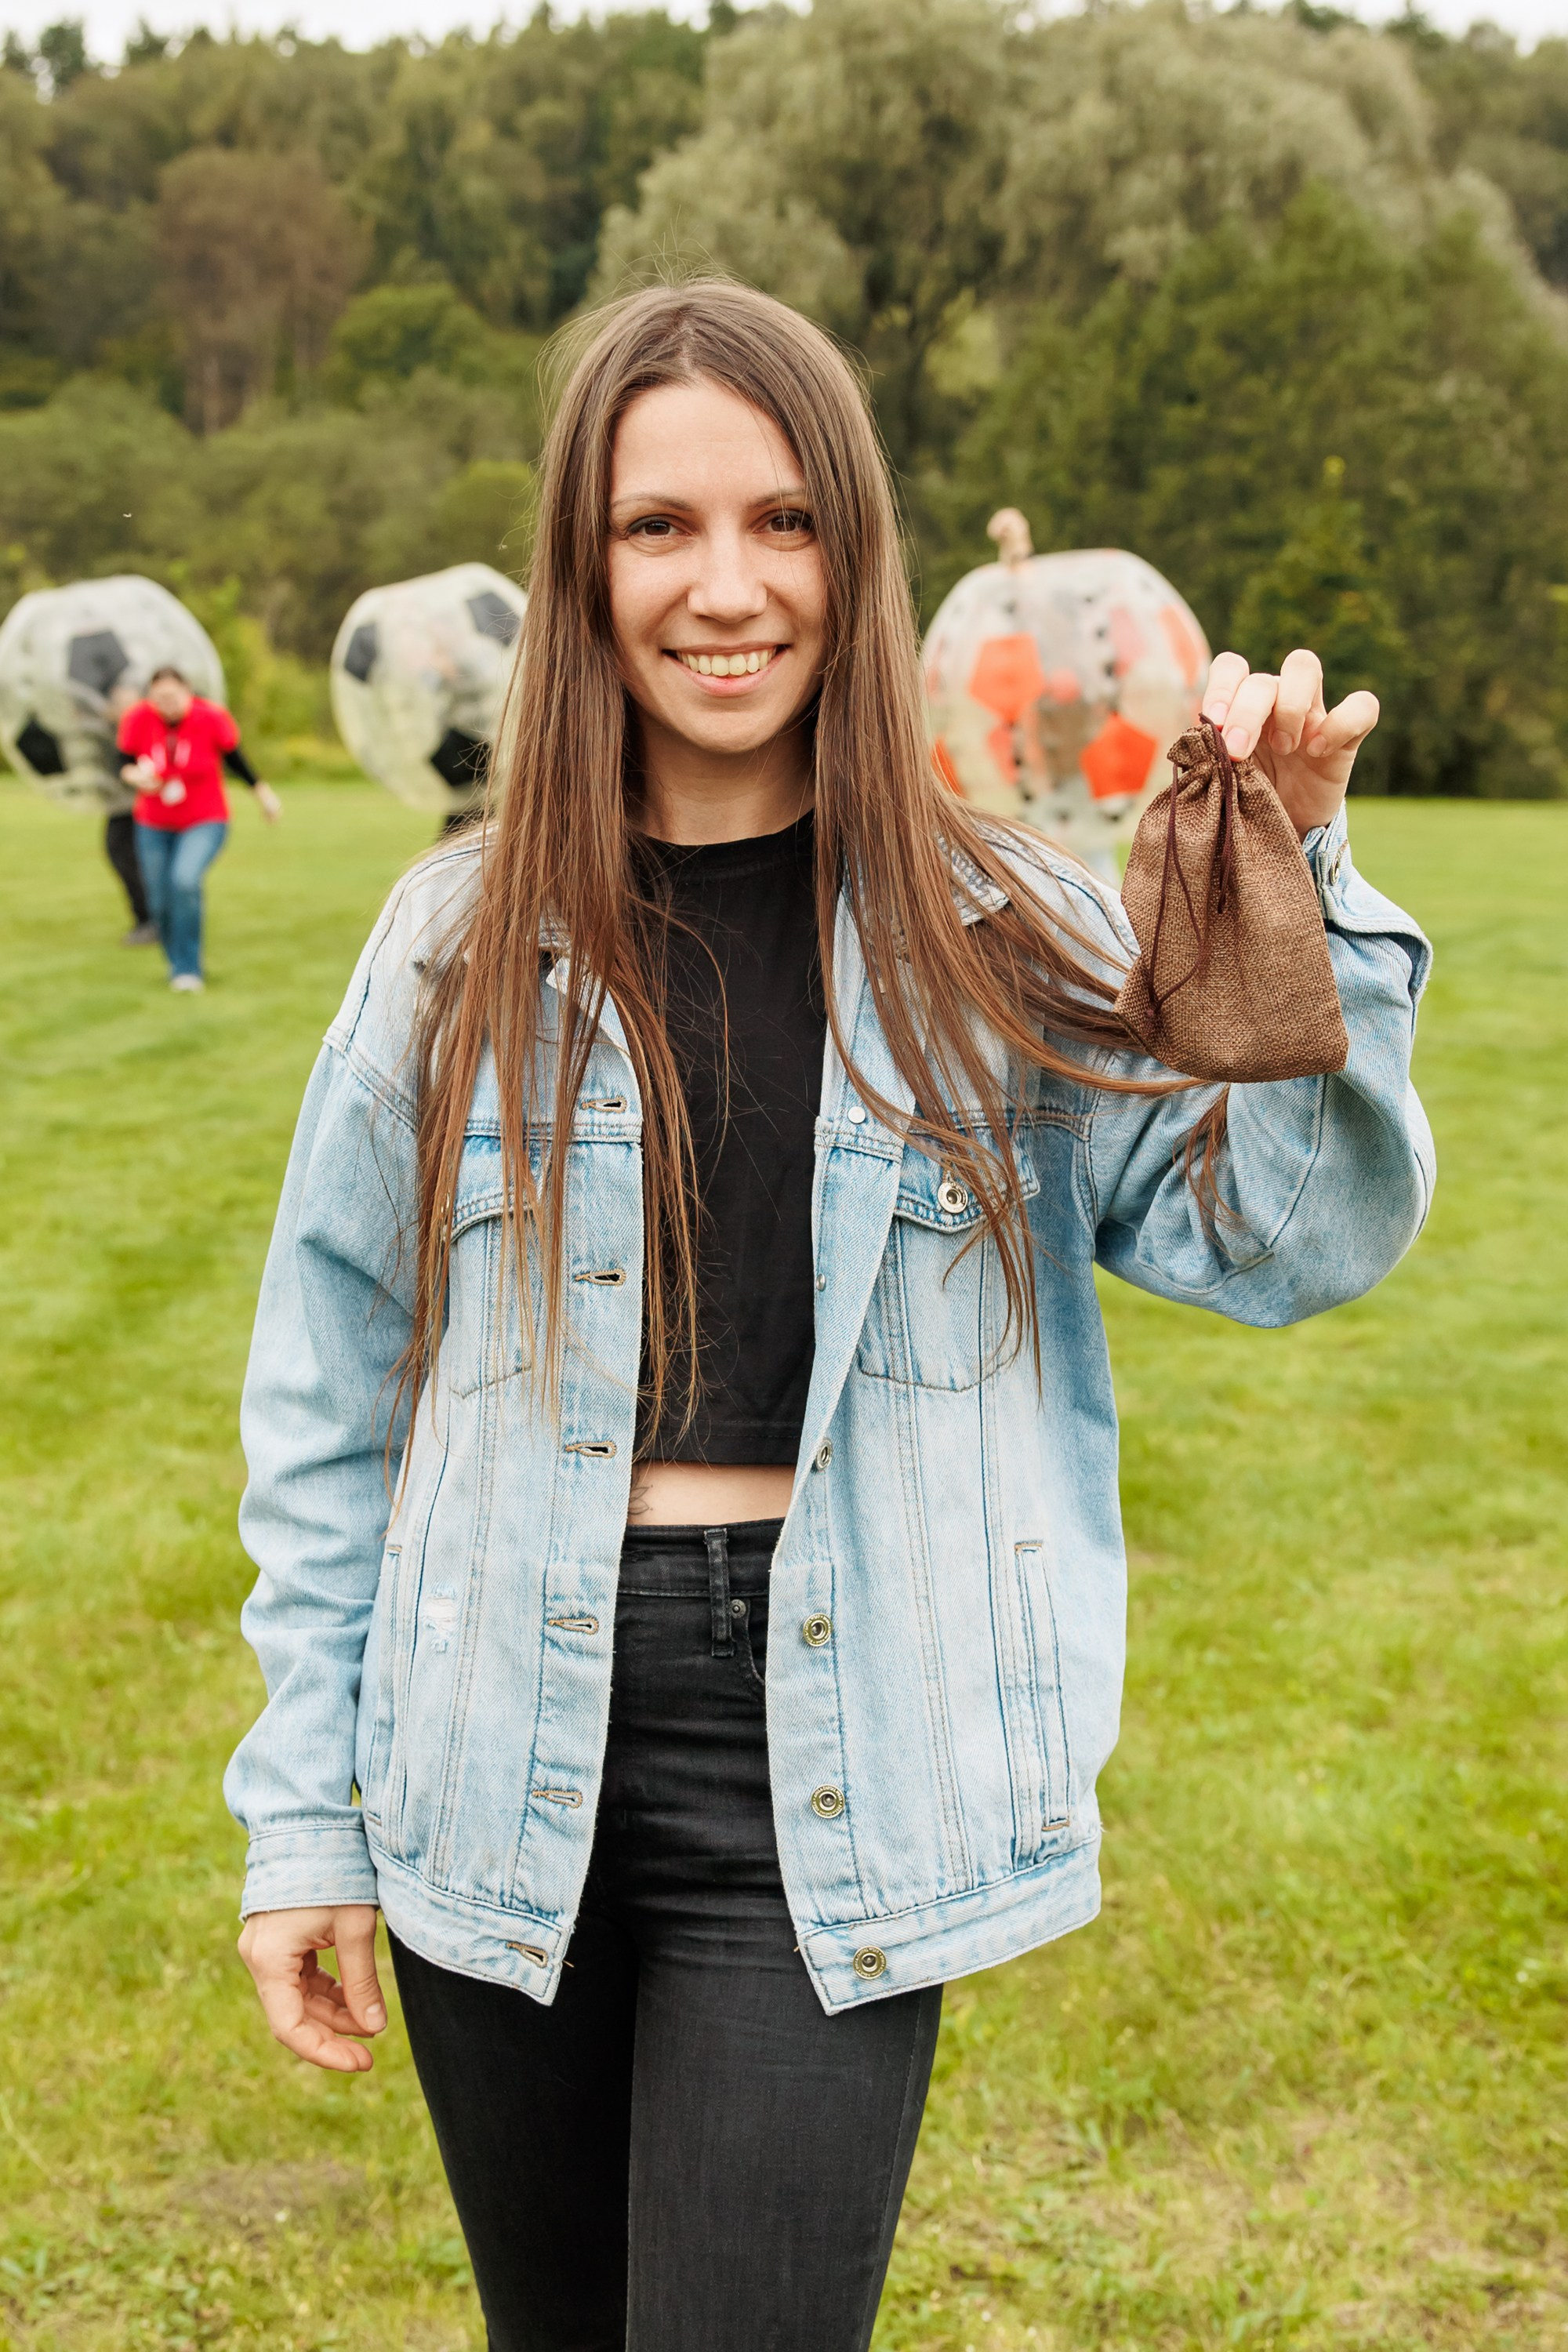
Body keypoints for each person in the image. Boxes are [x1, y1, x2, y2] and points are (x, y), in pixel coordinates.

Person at [225, 283, 1434, 2352]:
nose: (726, 587)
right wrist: (301, 1822)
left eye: (782, 521)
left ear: (855, 555)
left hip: (827, 1737)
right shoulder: (450, 943)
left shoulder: (1009, 931)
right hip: (488, 1725)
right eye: (659, 527)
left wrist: (1295, 883)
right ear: (582, 567)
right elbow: (334, 1401)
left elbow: (1281, 1244)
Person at [117, 667, 281, 992]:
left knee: (184, 880)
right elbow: (121, 761)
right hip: (153, 822)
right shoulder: (138, 719)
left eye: (172, 697)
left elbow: (236, 760)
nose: (166, 705)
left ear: (187, 691)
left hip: (204, 819)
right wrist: (134, 775)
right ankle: (175, 961)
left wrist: (264, 795)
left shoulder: (211, 718)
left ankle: (188, 969)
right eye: (159, 698)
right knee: (159, 899)